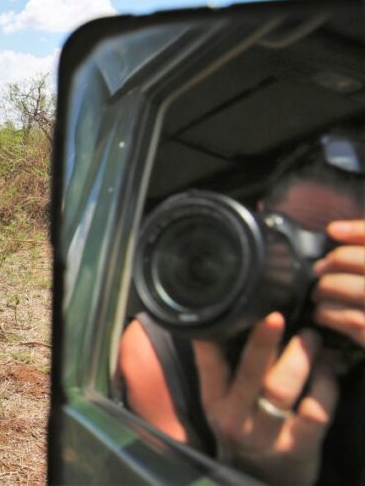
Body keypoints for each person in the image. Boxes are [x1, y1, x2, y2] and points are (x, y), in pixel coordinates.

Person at [120, 132, 365, 486]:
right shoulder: (163, 347)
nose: (304, 274)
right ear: (258, 221)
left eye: (336, 257)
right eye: (288, 242)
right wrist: (248, 473)